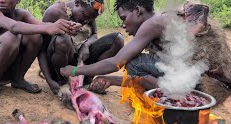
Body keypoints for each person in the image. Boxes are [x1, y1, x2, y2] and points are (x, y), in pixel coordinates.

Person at [60, 0, 231, 103]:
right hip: (215, 91)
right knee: (149, 61)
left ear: (138, 11)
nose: (123, 25)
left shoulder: (153, 23)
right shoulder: (164, 21)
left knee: (134, 63)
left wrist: (74, 70)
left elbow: (116, 62)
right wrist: (111, 80)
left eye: (124, 18)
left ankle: (175, 101)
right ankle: (176, 98)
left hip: (206, 88)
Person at [0, 0, 80, 102]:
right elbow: (14, 26)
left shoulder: (22, 14)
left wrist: (66, 26)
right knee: (11, 36)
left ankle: (18, 78)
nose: (1, 0)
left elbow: (42, 26)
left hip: (9, 66)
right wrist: (48, 28)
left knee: (36, 36)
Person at [39, 0, 124, 94]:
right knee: (63, 39)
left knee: (117, 39)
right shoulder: (54, 12)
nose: (87, 21)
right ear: (77, 3)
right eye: (86, 16)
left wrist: (85, 45)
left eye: (91, 19)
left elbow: (94, 34)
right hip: (59, 66)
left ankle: (86, 80)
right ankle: (63, 83)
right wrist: (49, 81)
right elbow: (41, 50)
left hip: (80, 62)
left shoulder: (89, 12)